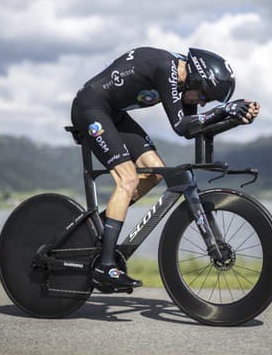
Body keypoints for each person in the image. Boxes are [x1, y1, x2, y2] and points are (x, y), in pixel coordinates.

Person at [71, 47, 260, 288]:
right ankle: (105, 266)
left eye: (207, 101)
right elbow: (181, 125)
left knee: (154, 172)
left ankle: (98, 229)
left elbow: (193, 130)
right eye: (204, 96)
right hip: (90, 107)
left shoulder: (184, 84)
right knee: (127, 178)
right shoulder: (166, 68)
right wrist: (224, 109)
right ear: (196, 78)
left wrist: (235, 119)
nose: (202, 103)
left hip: (113, 115)